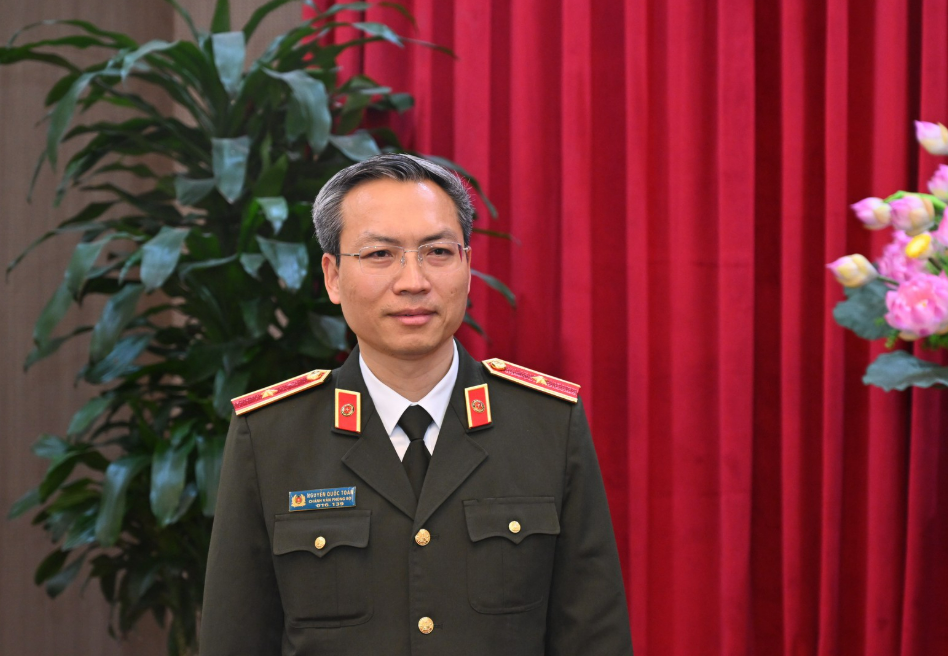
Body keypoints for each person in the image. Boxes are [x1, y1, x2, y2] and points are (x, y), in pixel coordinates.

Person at [199, 154, 633, 655]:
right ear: (333, 276)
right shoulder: (272, 435)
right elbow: (235, 638)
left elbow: (593, 637)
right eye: (381, 254)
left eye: (438, 252)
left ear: (467, 267)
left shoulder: (547, 425)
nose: (413, 281)